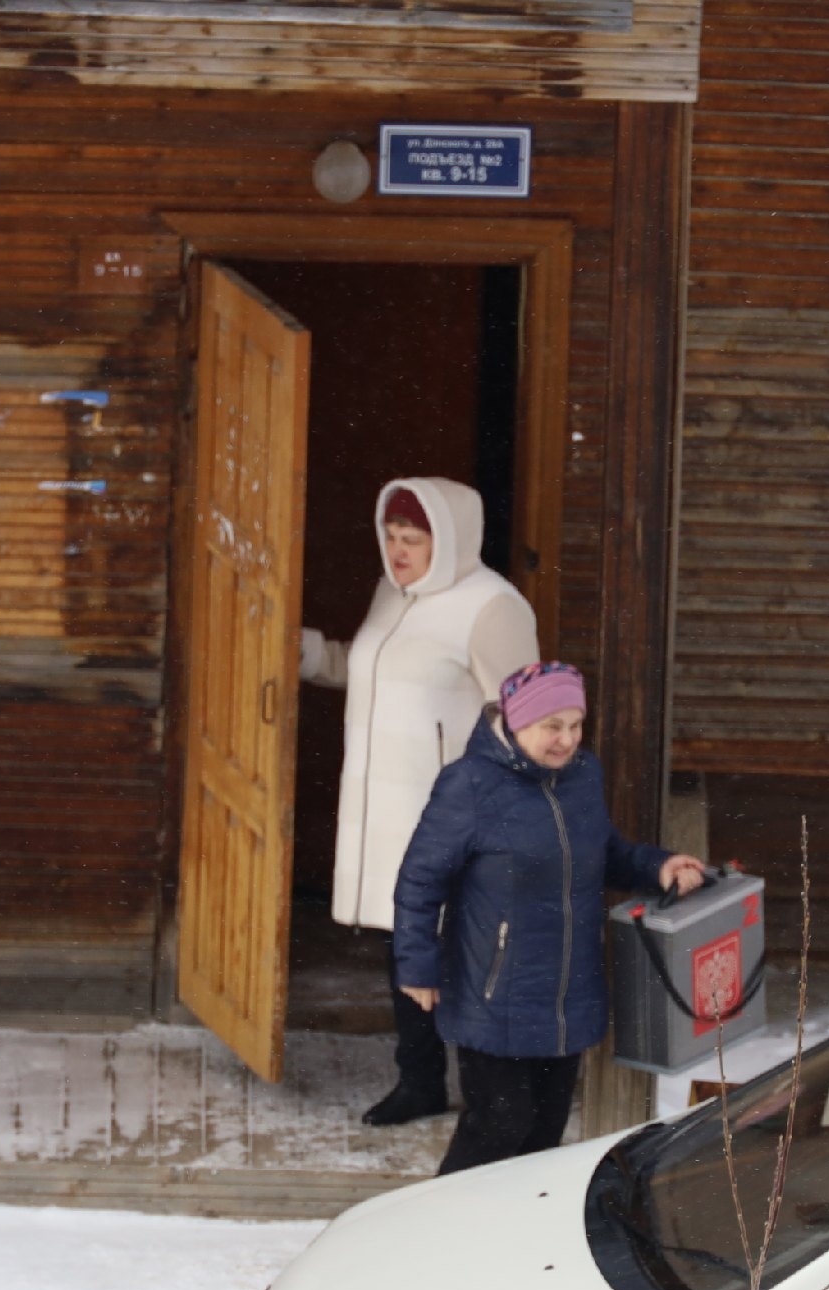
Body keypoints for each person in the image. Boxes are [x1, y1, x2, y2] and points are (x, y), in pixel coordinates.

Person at [392, 661, 708, 1175]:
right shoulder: (470, 785)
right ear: (516, 724)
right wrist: (417, 966)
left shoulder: (583, 775)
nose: (567, 740)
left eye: (575, 725)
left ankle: (517, 1240)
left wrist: (659, 865)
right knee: (498, 1127)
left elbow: (604, 853)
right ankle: (446, 1233)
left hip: (567, 991)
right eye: (552, 727)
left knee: (544, 1130)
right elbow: (419, 882)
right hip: (495, 991)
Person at [300, 477, 539, 1127]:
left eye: (414, 539)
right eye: (391, 535)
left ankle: (496, 1093)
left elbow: (528, 717)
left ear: (453, 538)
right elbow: (369, 667)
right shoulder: (392, 593)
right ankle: (421, 1081)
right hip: (388, 812)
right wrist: (304, 652)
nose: (398, 550)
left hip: (453, 814)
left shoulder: (492, 606)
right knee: (412, 945)